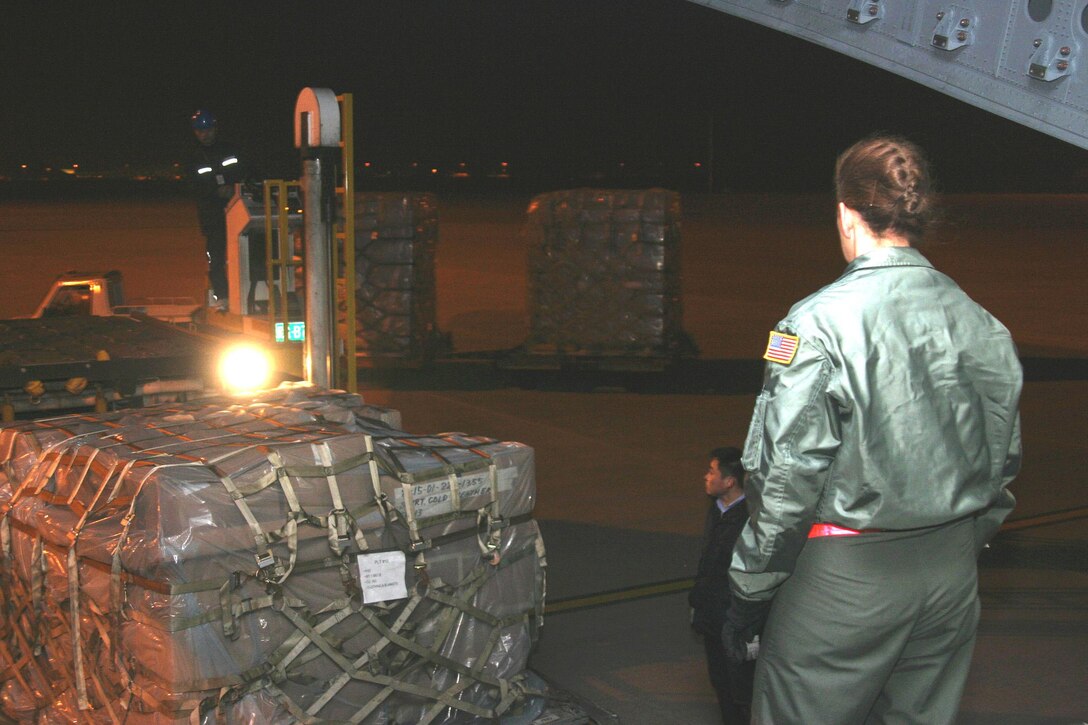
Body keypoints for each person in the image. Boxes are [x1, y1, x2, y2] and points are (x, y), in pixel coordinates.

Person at [723, 134, 1023, 724]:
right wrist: (956, 548)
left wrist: (748, 589)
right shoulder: (983, 322)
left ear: (845, 214)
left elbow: (785, 483)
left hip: (846, 583)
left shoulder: (814, 325)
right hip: (950, 577)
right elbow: (1002, 462)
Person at [689, 446, 755, 724]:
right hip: (712, 615)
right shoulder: (717, 511)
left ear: (729, 481)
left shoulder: (747, 519)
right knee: (720, 680)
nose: (706, 477)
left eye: (712, 472)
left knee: (738, 685)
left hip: (731, 618)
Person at [188, 109, 246, 307]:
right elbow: (193, 185)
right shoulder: (193, 156)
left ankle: (246, 293)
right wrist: (216, 192)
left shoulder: (230, 150)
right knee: (217, 257)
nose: (205, 134)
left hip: (239, 213)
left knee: (244, 253)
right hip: (213, 216)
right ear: (195, 132)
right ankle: (222, 296)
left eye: (209, 129)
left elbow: (245, 173)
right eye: (201, 131)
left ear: (215, 129)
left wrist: (234, 188)